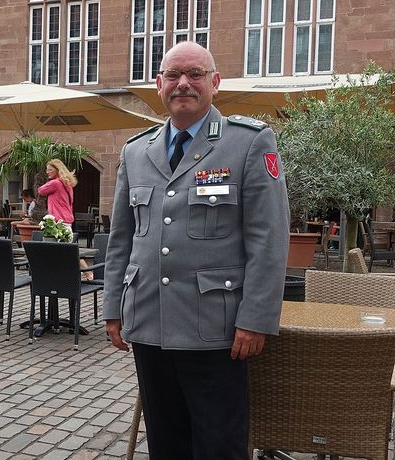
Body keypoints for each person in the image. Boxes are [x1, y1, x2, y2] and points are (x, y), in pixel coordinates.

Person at [103, 41, 289, 459]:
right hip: (150, 322)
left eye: (195, 74)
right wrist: (114, 307)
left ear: (215, 83)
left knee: (218, 444)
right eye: (173, 75)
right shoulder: (137, 151)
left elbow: (269, 238)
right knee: (166, 442)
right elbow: (122, 239)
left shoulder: (249, 143)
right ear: (159, 85)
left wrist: (256, 319)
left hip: (218, 330)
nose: (183, 83)